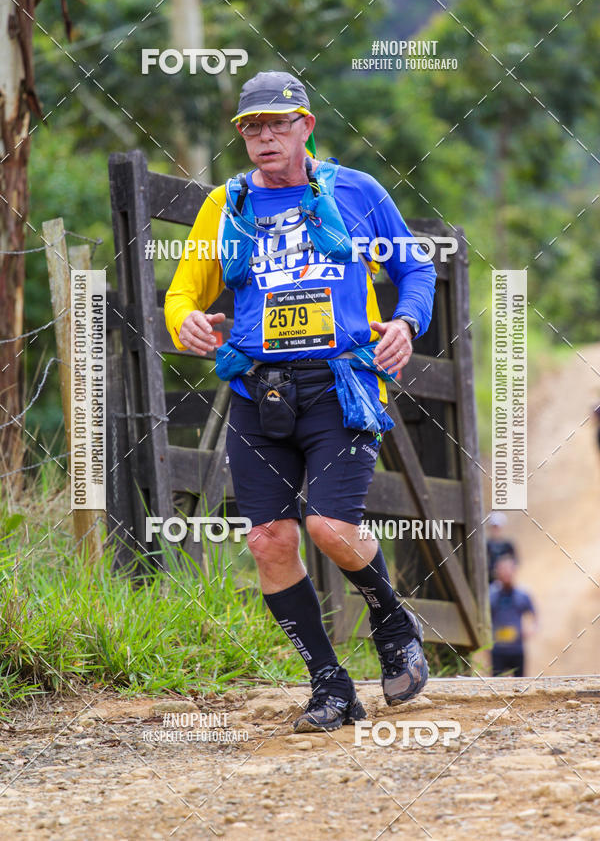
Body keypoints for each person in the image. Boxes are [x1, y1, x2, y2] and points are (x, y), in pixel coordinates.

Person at [164, 70, 437, 732]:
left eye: (277, 124)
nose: (264, 138)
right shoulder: (226, 206)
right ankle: (330, 684)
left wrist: (405, 324)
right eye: (252, 128)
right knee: (267, 539)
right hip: (259, 391)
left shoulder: (355, 191)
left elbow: (416, 266)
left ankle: (393, 622)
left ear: (305, 126)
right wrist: (185, 323)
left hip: (340, 385)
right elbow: (182, 294)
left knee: (330, 528)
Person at [489, 553, 537, 677]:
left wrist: (532, 628)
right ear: (497, 572)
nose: (506, 573)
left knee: (520, 687)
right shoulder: (491, 595)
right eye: (502, 569)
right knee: (496, 686)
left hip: (517, 650)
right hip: (497, 650)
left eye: (509, 569)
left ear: (515, 571)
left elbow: (534, 614)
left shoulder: (522, 594)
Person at [486, 511, 517, 585]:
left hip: (506, 582)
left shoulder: (508, 545)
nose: (496, 530)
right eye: (494, 527)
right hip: (490, 581)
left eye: (497, 527)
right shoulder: (486, 545)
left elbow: (515, 562)